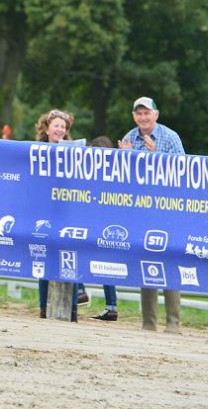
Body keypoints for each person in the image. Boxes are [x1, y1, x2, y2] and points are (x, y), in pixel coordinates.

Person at [119, 96, 185, 333]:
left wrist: (157, 155)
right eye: (138, 113)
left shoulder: (170, 138)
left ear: (156, 114)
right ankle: (148, 323)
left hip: (169, 210)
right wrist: (124, 159)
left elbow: (183, 174)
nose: (143, 117)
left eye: (147, 112)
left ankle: (173, 323)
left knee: (170, 262)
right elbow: (125, 179)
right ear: (134, 116)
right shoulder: (129, 138)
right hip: (143, 211)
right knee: (146, 264)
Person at [34, 109, 81, 322]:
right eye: (56, 126)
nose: (60, 130)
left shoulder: (75, 153)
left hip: (68, 212)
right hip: (44, 211)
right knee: (44, 259)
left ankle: (72, 311)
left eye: (63, 127)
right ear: (46, 128)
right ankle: (44, 307)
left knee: (69, 261)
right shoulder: (37, 151)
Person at [88, 134, 121, 322]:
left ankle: (110, 306)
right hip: (105, 221)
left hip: (104, 222)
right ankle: (111, 307)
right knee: (105, 262)